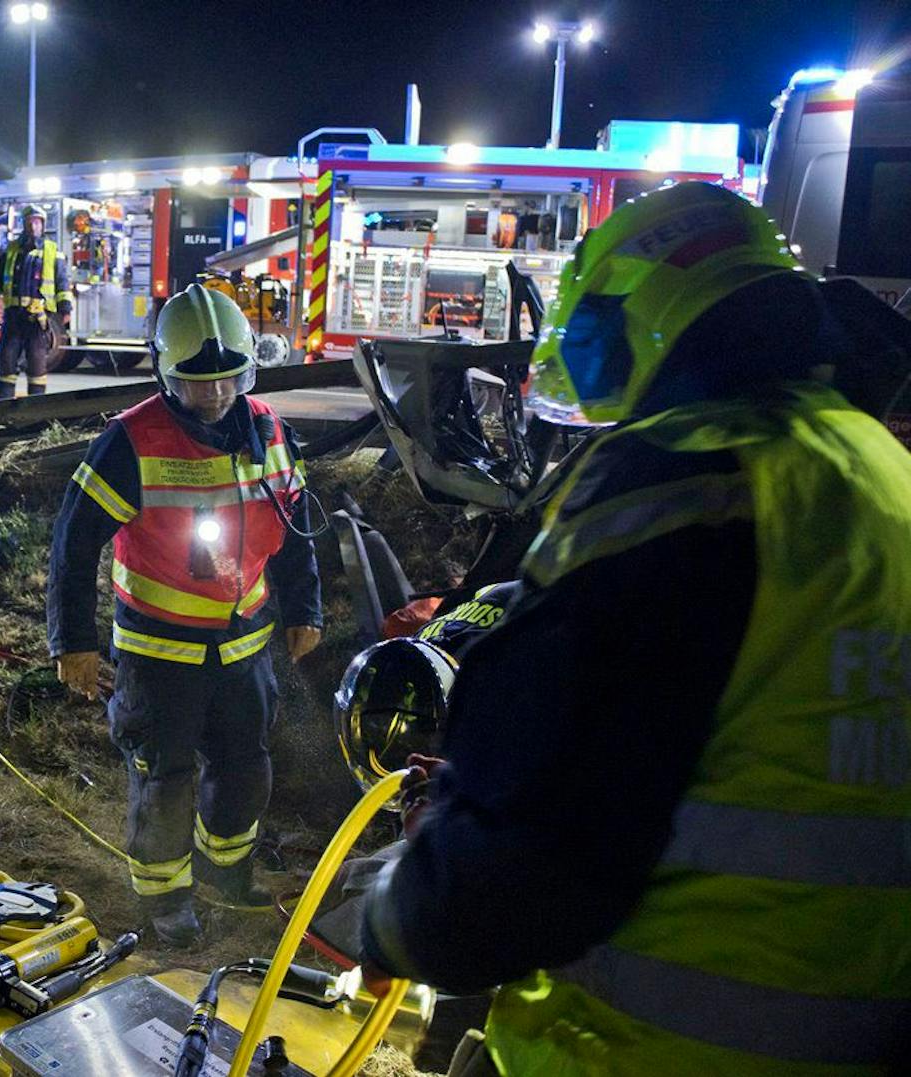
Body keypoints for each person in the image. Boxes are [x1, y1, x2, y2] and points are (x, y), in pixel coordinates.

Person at [358, 182, 911, 1075]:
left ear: (659, 319)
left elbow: (538, 834)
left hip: (647, 1048)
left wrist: (395, 915)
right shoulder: (875, 472)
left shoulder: (684, 484)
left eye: (599, 330)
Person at [47, 283, 323, 945]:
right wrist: (74, 642)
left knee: (244, 769)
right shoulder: (130, 439)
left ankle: (227, 875)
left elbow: (297, 522)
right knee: (163, 780)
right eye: (200, 384)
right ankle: (165, 900)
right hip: (158, 657)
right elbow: (74, 538)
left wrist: (304, 608)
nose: (216, 395)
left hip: (244, 652)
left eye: (230, 379)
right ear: (168, 376)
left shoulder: (268, 430)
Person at [0, 206, 71, 400]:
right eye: (30, 221)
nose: (34, 226)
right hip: (13, 316)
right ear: (24, 224)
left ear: (43, 224)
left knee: (37, 366)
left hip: (37, 320)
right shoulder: (12, 249)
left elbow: (62, 282)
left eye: (37, 221)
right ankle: (4, 409)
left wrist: (65, 308)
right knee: (7, 363)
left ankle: (35, 410)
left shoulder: (52, 251)